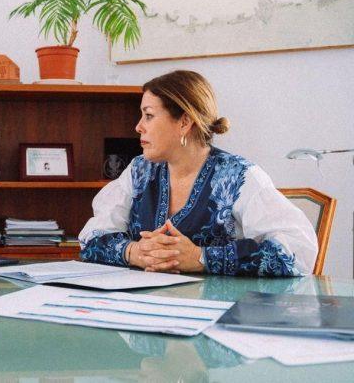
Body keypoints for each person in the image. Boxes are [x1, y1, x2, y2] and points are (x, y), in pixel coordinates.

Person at [80, 70, 317, 276]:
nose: (138, 126)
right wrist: (134, 252)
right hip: (145, 309)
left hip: (219, 317)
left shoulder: (239, 177)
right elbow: (90, 238)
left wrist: (201, 257)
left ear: (184, 122)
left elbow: (298, 252)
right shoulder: (139, 171)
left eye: (149, 115)